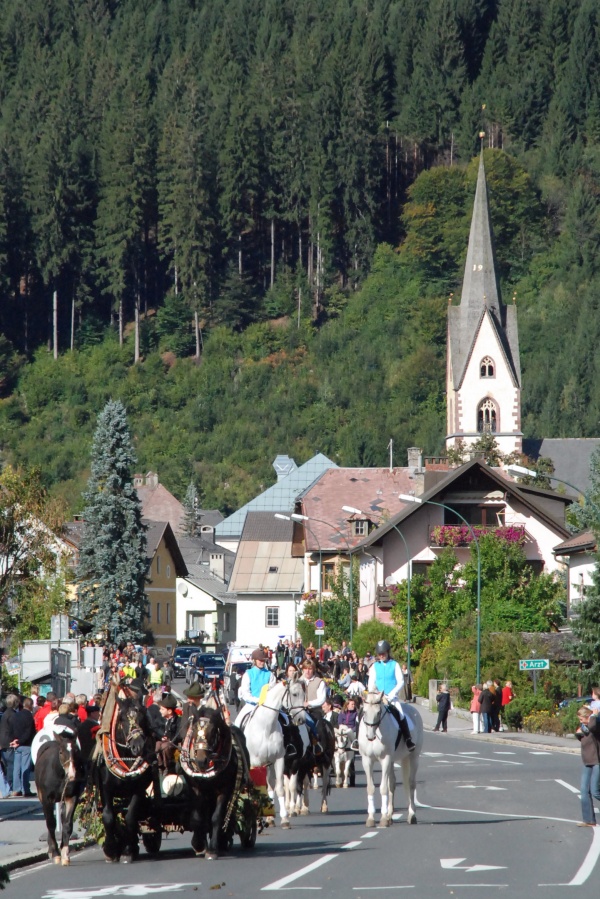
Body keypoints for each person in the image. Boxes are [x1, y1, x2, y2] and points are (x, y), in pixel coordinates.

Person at [367, 640, 415, 751]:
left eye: (383, 653)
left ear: (388, 652)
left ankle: (408, 739)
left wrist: (392, 694)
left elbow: (401, 681)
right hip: (377, 698)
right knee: (364, 712)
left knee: (401, 714)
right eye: (379, 654)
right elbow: (371, 682)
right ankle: (358, 740)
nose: (381, 655)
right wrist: (373, 694)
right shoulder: (374, 666)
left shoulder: (394, 665)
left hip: (391, 698)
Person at [235, 648, 276, 727]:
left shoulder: (270, 674)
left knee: (285, 719)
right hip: (251, 705)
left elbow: (273, 689)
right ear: (254, 660)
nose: (262, 662)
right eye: (260, 660)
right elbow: (246, 694)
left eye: (263, 660)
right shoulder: (248, 674)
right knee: (237, 723)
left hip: (268, 706)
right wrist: (258, 700)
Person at [575, 705, 600, 827]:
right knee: (584, 790)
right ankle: (589, 819)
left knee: (595, 791)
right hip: (587, 761)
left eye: (581, 719)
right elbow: (584, 739)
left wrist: (594, 715)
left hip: (596, 761)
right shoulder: (584, 728)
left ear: (587, 716)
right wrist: (578, 734)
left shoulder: (595, 725)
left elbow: (593, 726)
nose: (580, 722)